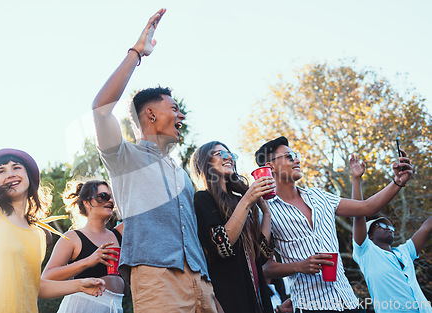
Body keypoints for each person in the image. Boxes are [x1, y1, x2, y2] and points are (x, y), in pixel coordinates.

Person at [91, 9, 219, 313]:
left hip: (201, 281)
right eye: (173, 108)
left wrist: (209, 293)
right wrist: (137, 52)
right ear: (150, 114)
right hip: (156, 278)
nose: (181, 116)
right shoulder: (125, 158)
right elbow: (100, 109)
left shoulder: (183, 175)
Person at [0, 149, 105, 313]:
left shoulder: (38, 234)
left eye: (16, 167)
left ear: (28, 176)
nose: (10, 174)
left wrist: (79, 285)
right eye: (1, 171)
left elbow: (34, 286)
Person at [255, 136, 413, 313]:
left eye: (296, 155)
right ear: (270, 167)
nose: (297, 160)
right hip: (311, 307)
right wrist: (299, 266)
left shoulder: (319, 196)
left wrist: (398, 181)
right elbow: (264, 268)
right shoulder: (265, 211)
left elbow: (366, 207)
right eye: (290, 156)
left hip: (350, 303)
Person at [191, 141, 276, 313]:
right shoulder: (202, 199)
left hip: (257, 299)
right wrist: (248, 199)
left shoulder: (239, 201)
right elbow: (222, 246)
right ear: (204, 162)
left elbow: (262, 255)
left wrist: (266, 212)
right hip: (230, 298)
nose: (228, 157)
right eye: (220, 154)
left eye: (230, 154)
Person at [350, 154, 432, 313]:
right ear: (369, 236)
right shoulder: (366, 252)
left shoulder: (404, 252)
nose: (389, 228)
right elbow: (358, 214)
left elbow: (427, 227)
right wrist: (356, 179)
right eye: (381, 225)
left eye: (391, 227)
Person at [42, 180, 124, 313]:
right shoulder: (72, 238)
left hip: (115, 307)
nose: (110, 201)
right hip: (82, 306)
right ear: (86, 203)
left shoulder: (120, 233)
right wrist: (88, 261)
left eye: (111, 197)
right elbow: (47, 278)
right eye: (103, 196)